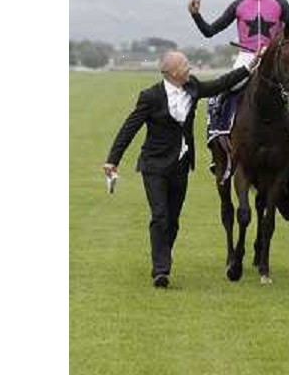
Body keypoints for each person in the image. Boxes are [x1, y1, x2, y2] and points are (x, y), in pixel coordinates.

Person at [103, 50, 261, 288]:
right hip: (154, 165)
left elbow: (219, 85)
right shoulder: (151, 96)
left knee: (173, 219)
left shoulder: (193, 87)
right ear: (173, 72)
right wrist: (113, 160)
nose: (190, 68)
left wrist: (248, 67)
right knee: (160, 216)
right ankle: (161, 269)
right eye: (186, 65)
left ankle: (163, 255)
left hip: (181, 165)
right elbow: (130, 127)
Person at [188, 0, 289, 145]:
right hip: (247, 56)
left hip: (274, 57)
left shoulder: (281, 3)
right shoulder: (238, 5)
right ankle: (218, 128)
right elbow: (209, 31)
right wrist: (196, 14)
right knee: (229, 86)